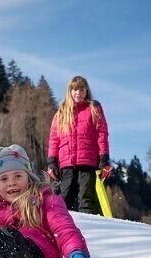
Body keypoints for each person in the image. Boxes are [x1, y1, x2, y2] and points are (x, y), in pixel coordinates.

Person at [47, 75, 111, 215]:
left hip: (88, 162)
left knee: (86, 198)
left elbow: (102, 134)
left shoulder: (93, 109)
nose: (78, 93)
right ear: (69, 91)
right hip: (66, 164)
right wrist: (52, 162)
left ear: (86, 91)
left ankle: (89, 228)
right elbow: (54, 139)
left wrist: (104, 158)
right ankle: (62, 228)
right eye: (75, 89)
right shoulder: (62, 112)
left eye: (82, 89)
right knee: (65, 197)